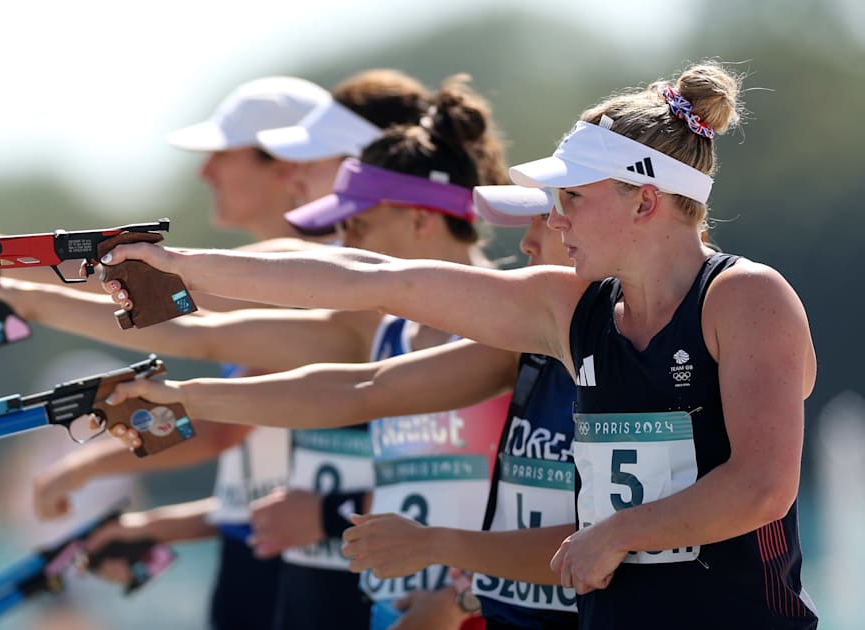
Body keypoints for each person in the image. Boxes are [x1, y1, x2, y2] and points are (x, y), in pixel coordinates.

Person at [98, 62, 819, 629]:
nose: (554, 216)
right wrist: (186, 268)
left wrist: (616, 534)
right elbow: (380, 279)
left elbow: (762, 486)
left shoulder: (747, 298)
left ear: (644, 201)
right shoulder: (571, 307)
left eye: (573, 196)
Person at [0, 74, 509, 629]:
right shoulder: (374, 322)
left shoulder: (511, 327)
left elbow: (551, 518)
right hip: (349, 590)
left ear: (414, 212)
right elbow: (201, 336)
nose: (344, 233)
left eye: (356, 220)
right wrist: (11, 288)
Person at [101, 186, 580, 630]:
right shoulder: (529, 338)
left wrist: (453, 583)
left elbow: (614, 538)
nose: (527, 244)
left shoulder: (560, 325)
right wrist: (189, 395)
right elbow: (364, 388)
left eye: (557, 213)